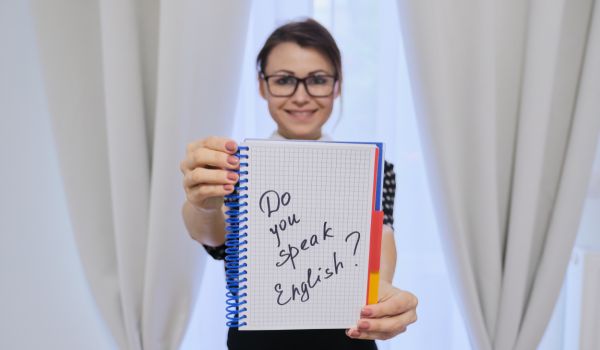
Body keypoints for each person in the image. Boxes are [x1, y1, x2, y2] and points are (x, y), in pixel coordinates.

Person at [180, 18, 417, 350]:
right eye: (284, 80)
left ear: (337, 86)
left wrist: (384, 288)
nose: (301, 96)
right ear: (262, 86)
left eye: (317, 80)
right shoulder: (234, 167)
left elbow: (382, 234)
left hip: (346, 340)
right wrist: (201, 203)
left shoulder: (373, 169)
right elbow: (213, 236)